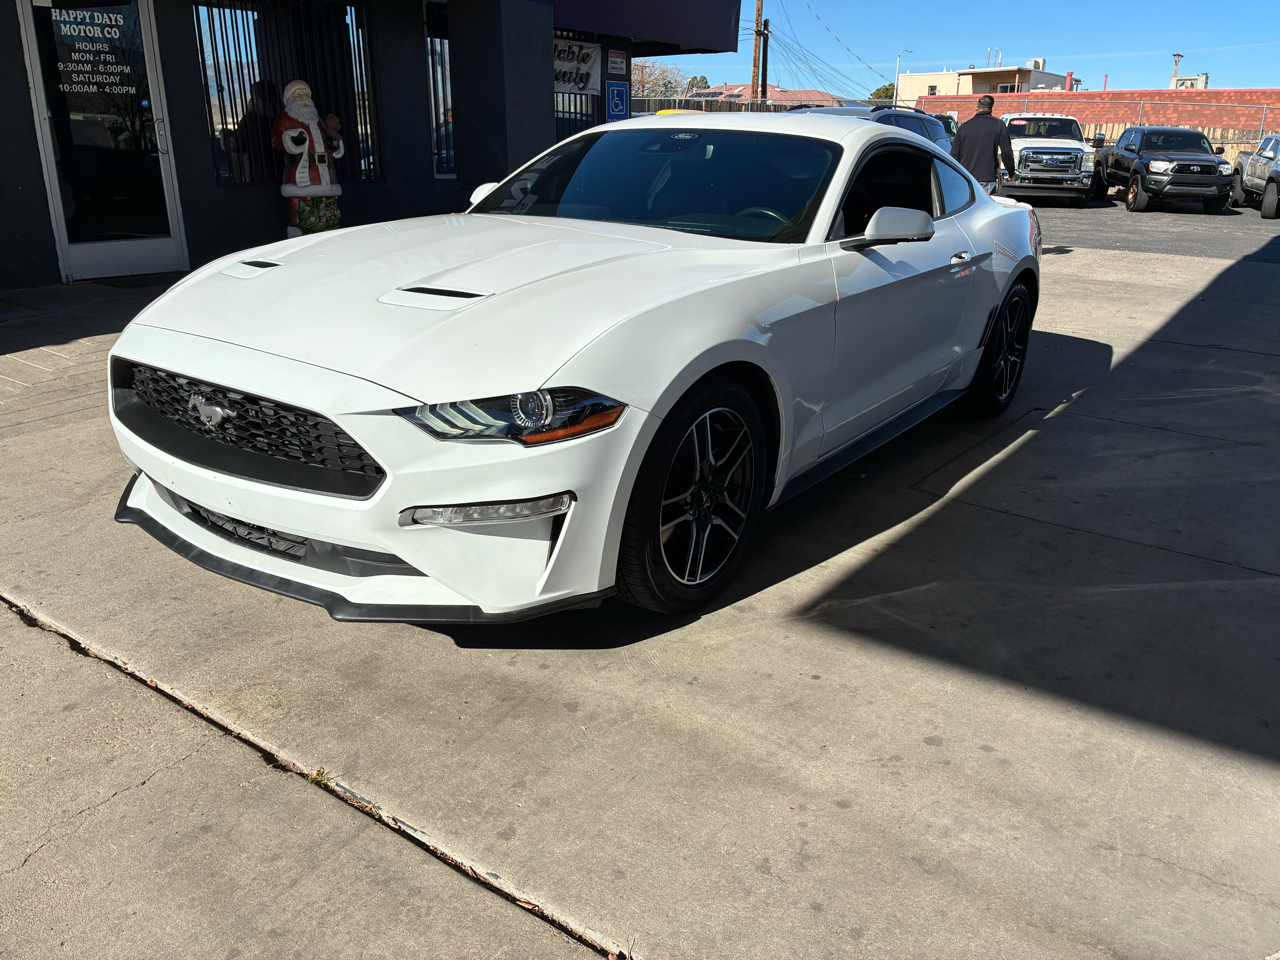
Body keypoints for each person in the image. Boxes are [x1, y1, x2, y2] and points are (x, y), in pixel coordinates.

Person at [950, 94, 1016, 195]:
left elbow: (954, 155)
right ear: (991, 108)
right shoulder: (999, 125)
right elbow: (1006, 152)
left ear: (976, 107)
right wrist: (1011, 172)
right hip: (987, 177)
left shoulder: (964, 127)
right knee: (985, 210)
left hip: (966, 178)